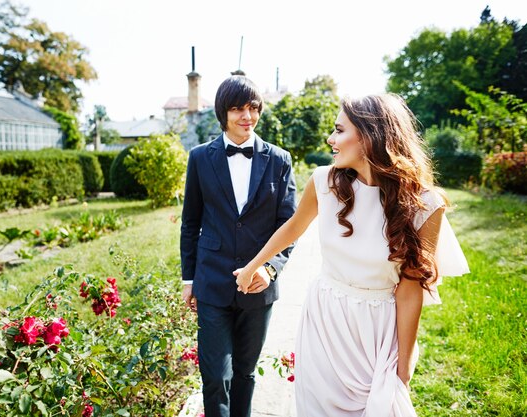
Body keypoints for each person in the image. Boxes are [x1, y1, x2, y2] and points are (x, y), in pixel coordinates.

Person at [235, 93, 469, 416]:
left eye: (339, 130)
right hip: (324, 322)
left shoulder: (425, 205)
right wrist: (253, 266)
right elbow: (292, 228)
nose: (331, 139)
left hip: (378, 332)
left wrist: (403, 364)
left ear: (371, 136)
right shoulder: (323, 182)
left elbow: (411, 289)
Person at [180, 75, 297, 417]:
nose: (247, 115)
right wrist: (189, 280)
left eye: (253, 107)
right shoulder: (200, 158)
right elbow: (191, 223)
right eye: (237, 109)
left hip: (259, 288)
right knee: (215, 375)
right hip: (212, 284)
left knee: (245, 374)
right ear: (223, 113)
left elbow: (288, 227)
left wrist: (271, 267)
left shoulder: (279, 161)